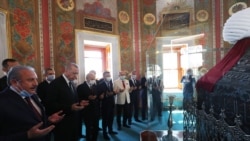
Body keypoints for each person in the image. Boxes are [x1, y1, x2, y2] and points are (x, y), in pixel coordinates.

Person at [0, 65, 64, 141]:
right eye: (30, 80)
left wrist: (48, 120)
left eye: (36, 79)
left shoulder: (31, 94)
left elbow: (34, 119)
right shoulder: (2, 101)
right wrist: (27, 135)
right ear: (14, 82)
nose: (36, 83)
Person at [45, 63, 89, 141]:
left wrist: (79, 103)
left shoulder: (71, 83)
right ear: (66, 71)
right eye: (74, 73)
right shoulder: (55, 84)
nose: (76, 76)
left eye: (77, 73)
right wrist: (70, 108)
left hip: (73, 121)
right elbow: (50, 105)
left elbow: (72, 101)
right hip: (62, 123)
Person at [77, 72, 100, 141]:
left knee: (96, 127)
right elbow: (77, 98)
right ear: (87, 78)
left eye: (94, 78)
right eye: (92, 78)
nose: (93, 80)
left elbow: (98, 96)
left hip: (96, 110)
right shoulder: (80, 87)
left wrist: (97, 97)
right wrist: (87, 97)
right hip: (86, 111)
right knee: (89, 127)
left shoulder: (95, 86)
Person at [98, 71, 118, 140]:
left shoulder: (110, 82)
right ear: (104, 77)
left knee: (111, 118)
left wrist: (114, 93)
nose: (109, 77)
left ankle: (110, 130)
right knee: (105, 120)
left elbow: (111, 92)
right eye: (107, 76)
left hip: (111, 103)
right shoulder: (100, 84)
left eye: (109, 75)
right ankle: (105, 133)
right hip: (105, 105)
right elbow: (99, 96)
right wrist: (106, 95)